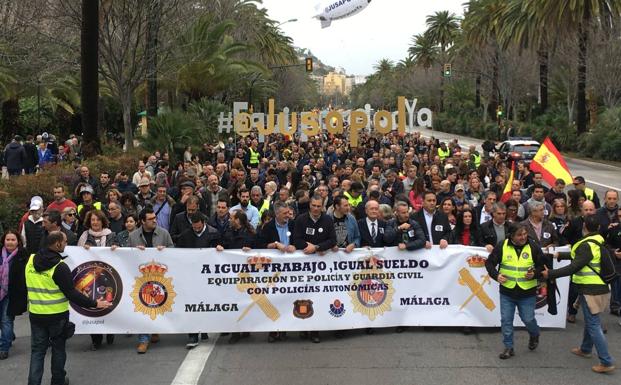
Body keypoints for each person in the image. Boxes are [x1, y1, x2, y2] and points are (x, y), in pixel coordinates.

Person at [23, 231, 111, 385]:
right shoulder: (60, 267)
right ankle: (58, 381)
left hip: (36, 315)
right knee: (58, 350)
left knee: (37, 351)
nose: (66, 244)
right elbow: (72, 294)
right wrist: (95, 303)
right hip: (57, 316)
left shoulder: (30, 260)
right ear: (57, 244)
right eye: (64, 241)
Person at [542, 215, 615, 373]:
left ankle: (606, 361)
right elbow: (582, 258)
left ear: (584, 227)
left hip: (590, 289)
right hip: (599, 287)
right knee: (591, 321)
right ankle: (585, 349)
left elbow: (574, 266)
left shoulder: (586, 244)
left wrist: (551, 274)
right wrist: (560, 255)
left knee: (594, 324)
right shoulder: (598, 241)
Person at [485, 223, 545, 359]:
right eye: (519, 235)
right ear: (511, 236)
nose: (523, 237)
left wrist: (535, 273)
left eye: (524, 234)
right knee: (506, 320)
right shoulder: (502, 246)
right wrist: (496, 275)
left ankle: (534, 334)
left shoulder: (533, 246)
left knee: (528, 319)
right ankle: (508, 347)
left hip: (527, 292)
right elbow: (489, 263)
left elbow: (542, 265)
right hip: (507, 291)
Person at [127, 207, 174, 354]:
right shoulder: (133, 236)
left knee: (158, 303)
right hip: (141, 278)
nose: (155, 220)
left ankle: (155, 329)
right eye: (151, 219)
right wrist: (135, 252)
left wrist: (165, 251)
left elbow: (174, 251)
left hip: (160, 277)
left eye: (155, 218)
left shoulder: (164, 233)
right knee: (144, 304)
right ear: (142, 221)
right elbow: (126, 257)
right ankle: (143, 339)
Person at [291, 194, 336, 343]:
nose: (316, 209)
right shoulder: (301, 219)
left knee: (319, 297)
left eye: (319, 206)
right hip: (303, 266)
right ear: (310, 205)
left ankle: (315, 330)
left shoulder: (328, 220)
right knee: (304, 296)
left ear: (322, 206)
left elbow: (332, 240)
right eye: (313, 205)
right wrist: (307, 246)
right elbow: (295, 239)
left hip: (322, 267)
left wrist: (317, 247)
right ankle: (303, 328)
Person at [77, 209, 119, 351]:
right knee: (93, 304)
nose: (95, 222)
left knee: (108, 302)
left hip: (108, 277)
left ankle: (110, 332)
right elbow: (78, 255)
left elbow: (120, 253)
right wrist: (83, 249)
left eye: (97, 220)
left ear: (103, 221)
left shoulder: (112, 235)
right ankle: (96, 339)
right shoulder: (84, 236)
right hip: (91, 277)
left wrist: (116, 248)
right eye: (92, 220)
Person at [176, 212, 217, 349]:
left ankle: (204, 328)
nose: (196, 230)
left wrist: (220, 248)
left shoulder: (213, 233)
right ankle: (193, 334)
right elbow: (177, 252)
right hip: (191, 276)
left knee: (206, 303)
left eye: (199, 227)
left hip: (208, 277)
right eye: (194, 227)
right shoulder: (186, 235)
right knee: (192, 305)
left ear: (203, 223)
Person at [1, 231, 28, 360]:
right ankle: (9, 335)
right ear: (3, 241)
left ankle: (4, 348)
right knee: (3, 321)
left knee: (6, 319)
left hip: (13, 293)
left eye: (13, 239)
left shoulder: (23, 255)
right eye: (8, 239)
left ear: (18, 242)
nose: (10, 242)